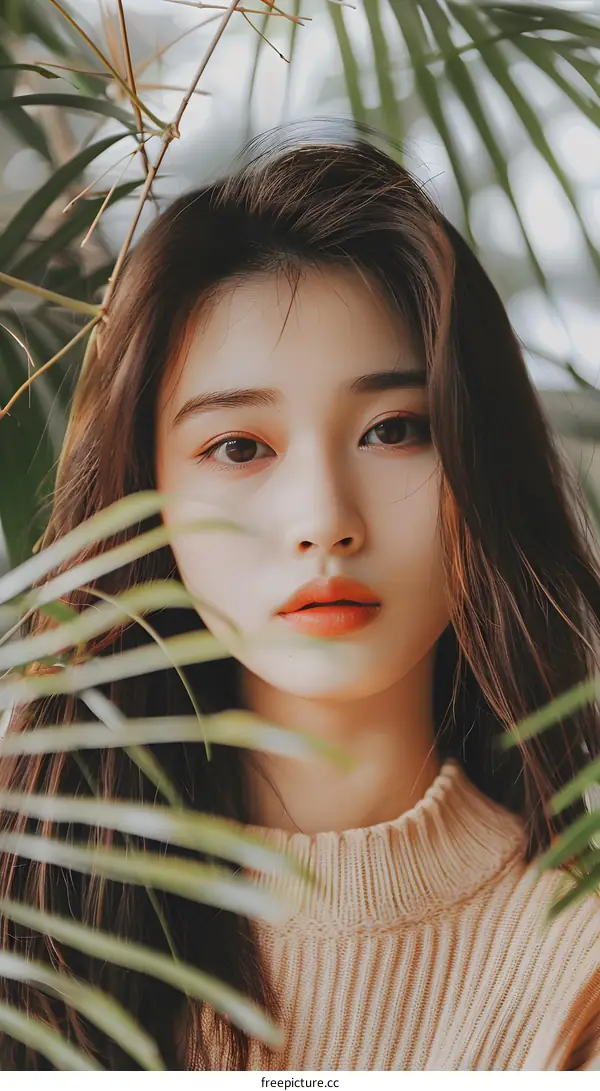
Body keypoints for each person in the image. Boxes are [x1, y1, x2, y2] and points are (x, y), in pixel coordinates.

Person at [0, 120, 599, 1071]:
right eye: (240, 447)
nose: (325, 518)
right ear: (142, 493)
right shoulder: (28, 913)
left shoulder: (579, 970)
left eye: (396, 429)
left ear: (482, 465)